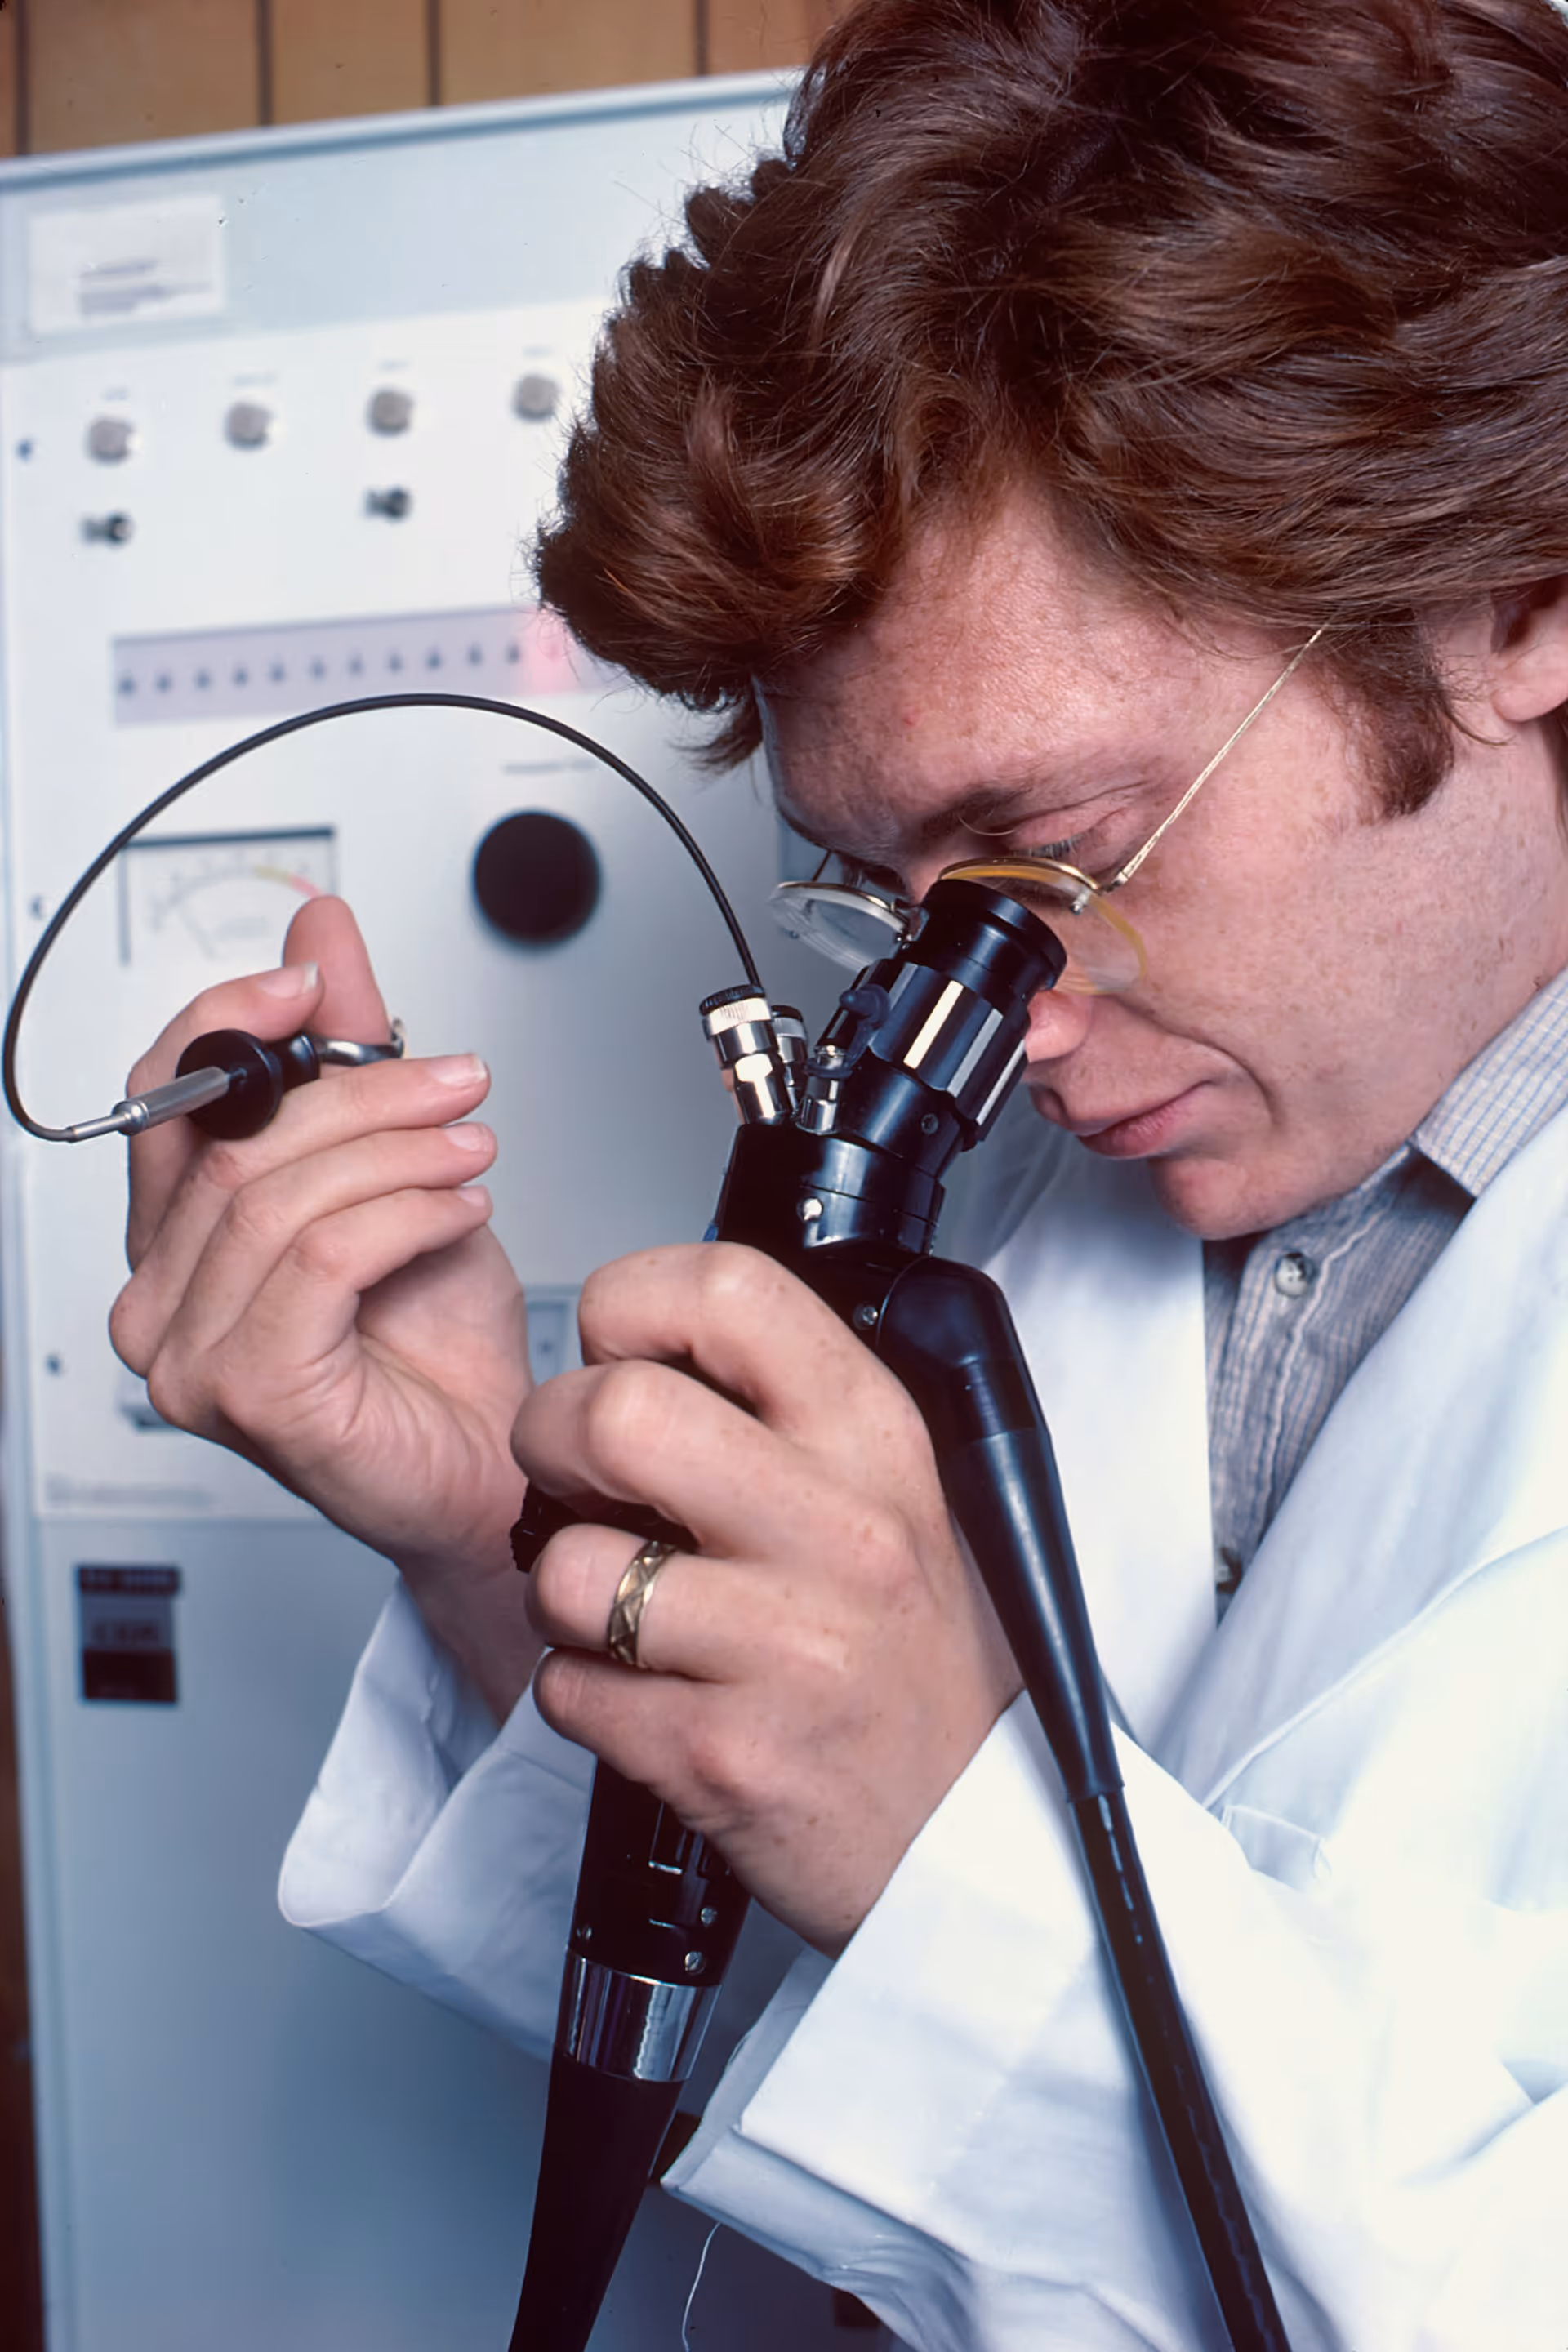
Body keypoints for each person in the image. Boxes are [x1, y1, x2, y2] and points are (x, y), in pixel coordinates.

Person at [109, 1, 1568, 2343]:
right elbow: (837, 2097)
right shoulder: (1049, 1184)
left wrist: (949, 1838)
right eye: (893, 905)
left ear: (1513, 599)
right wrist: (497, 1537)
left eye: (1056, 854)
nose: (1001, 1024)